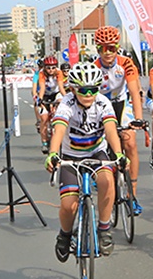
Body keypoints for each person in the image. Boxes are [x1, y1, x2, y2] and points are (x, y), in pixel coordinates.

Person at [44, 62, 124, 262]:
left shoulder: (103, 102)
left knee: (107, 180)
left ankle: (104, 229)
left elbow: (111, 130)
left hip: (96, 153)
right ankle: (64, 235)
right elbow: (59, 130)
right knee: (69, 205)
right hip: (71, 157)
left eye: (93, 89)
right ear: (73, 89)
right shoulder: (67, 104)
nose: (88, 94)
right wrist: (53, 153)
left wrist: (119, 155)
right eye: (83, 90)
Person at [93, 25, 146, 215]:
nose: (107, 53)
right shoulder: (94, 67)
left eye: (112, 48)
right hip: (100, 107)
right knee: (98, 142)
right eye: (103, 48)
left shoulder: (126, 64)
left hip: (121, 104)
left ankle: (132, 195)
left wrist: (138, 119)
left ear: (117, 47)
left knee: (130, 142)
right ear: (97, 49)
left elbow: (134, 91)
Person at [36, 56, 66, 154]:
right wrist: (40, 99)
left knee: (60, 102)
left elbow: (61, 87)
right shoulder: (41, 74)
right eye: (48, 68)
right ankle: (44, 142)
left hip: (56, 94)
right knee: (44, 119)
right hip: (44, 95)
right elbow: (42, 87)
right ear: (44, 67)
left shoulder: (59, 72)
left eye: (53, 67)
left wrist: (67, 98)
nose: (51, 70)